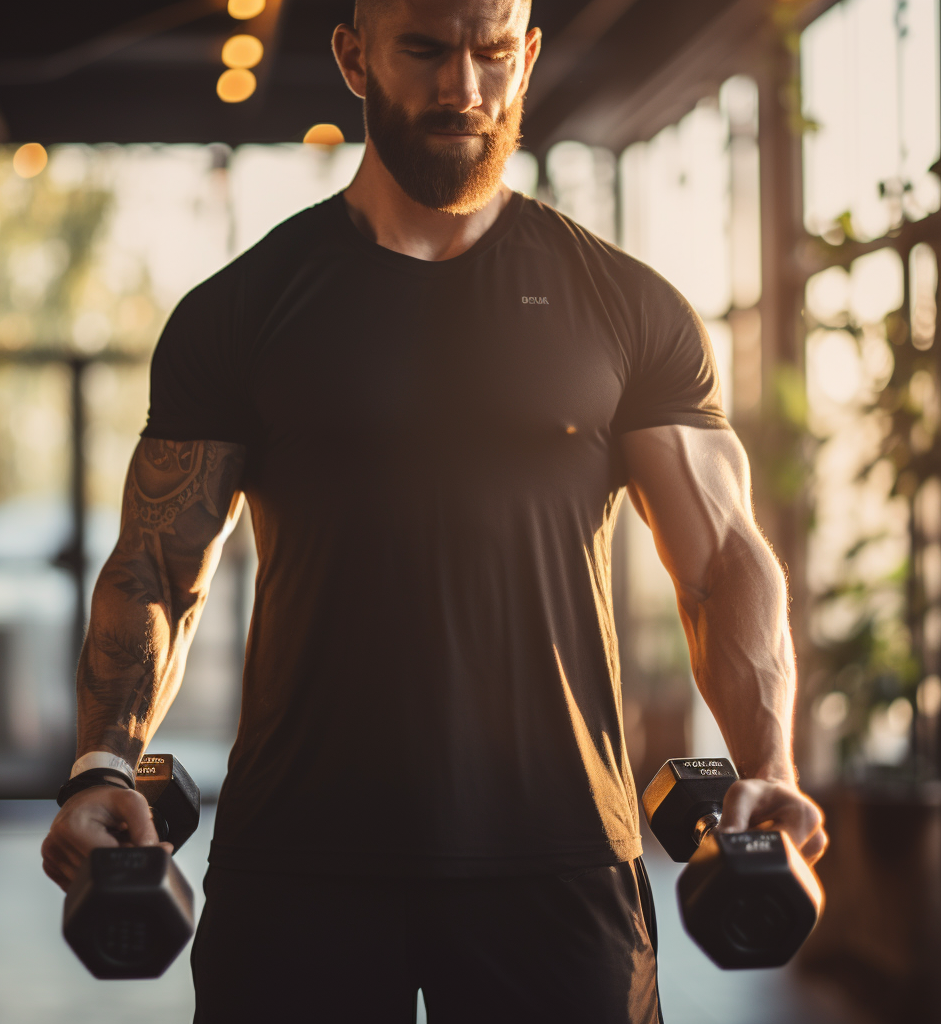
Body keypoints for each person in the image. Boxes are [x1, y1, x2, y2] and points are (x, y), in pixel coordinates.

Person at [41, 0, 828, 1020]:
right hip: (299, 859)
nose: (464, 86)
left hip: (560, 859)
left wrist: (768, 766)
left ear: (529, 55)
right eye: (424, 48)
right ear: (353, 54)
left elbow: (721, 558)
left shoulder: (629, 309)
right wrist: (102, 758)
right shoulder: (243, 308)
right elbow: (156, 565)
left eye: (494, 52)